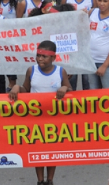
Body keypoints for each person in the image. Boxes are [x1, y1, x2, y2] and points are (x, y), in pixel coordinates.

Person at [8, 40, 71, 185]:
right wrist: (17, 87)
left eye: (44, 56)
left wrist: (65, 88)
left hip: (54, 118)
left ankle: (50, 180)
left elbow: (71, 91)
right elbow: (26, 89)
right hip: (35, 117)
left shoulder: (61, 71)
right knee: (38, 150)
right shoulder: (32, 70)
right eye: (38, 55)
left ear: (53, 58)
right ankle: (40, 180)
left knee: (51, 150)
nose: (40, 59)